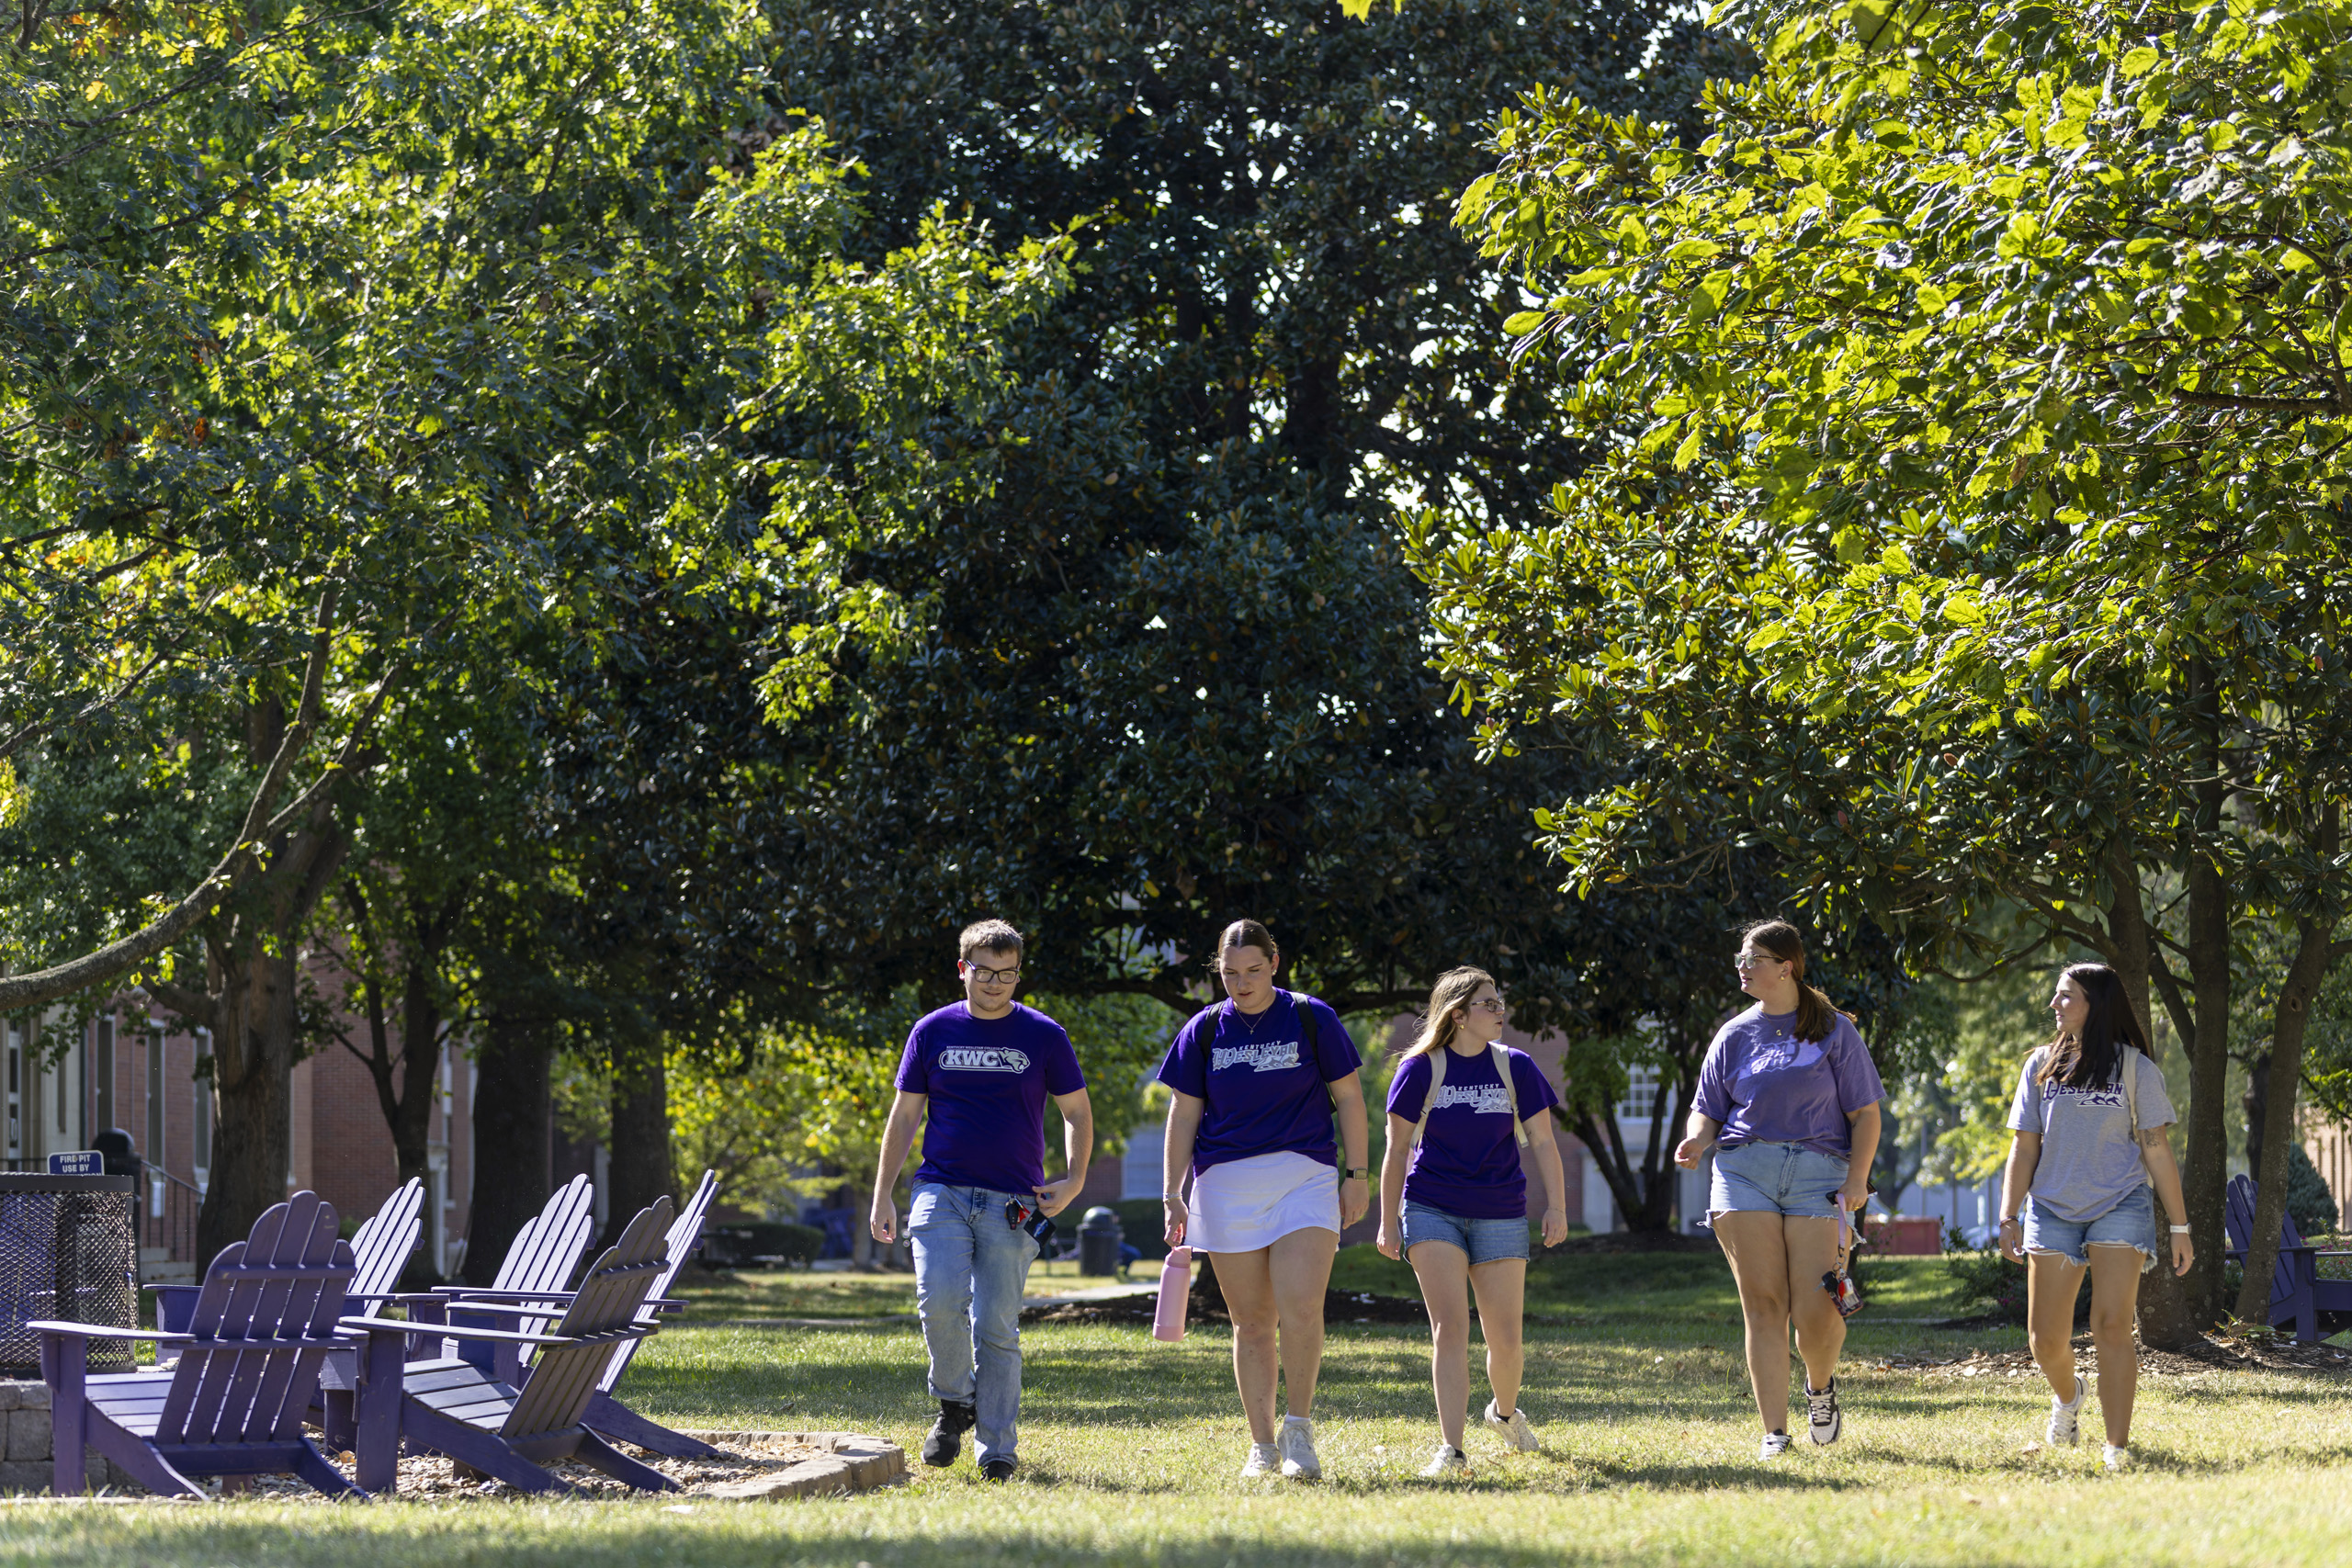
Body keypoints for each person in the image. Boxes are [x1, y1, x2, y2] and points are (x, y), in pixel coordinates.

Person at [871, 919, 1094, 1482]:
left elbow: (1077, 1113)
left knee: (996, 1327)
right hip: (939, 1189)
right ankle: (954, 1403)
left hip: (1014, 1200)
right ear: (962, 969)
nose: (996, 984)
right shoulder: (931, 1031)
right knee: (938, 1302)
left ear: (1018, 972)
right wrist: (882, 1195)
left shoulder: (1045, 1035)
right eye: (985, 972)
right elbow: (903, 1118)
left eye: (1008, 974)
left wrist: (1075, 1180)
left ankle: (996, 1446)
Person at [1159, 919, 1370, 1480]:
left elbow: (1349, 1098)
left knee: (1301, 1308)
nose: (1242, 982)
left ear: (1274, 964)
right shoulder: (1204, 1029)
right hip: (1225, 1185)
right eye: (1230, 973)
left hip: (1305, 1175)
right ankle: (1262, 1446)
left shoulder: (1310, 1016)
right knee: (1250, 1322)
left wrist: (1357, 1173)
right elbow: (1183, 1115)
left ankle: (1298, 1431)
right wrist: (1172, 1194)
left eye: (1253, 970)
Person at [1674, 919, 1883, 1459]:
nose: (1741, 967)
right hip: (1745, 1171)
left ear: (1785, 967)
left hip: (1819, 1175)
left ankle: (1819, 1388)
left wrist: (1857, 1178)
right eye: (1740, 959)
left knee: (1817, 1311)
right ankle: (1774, 1431)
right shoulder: (1734, 1034)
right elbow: (1707, 1109)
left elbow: (1865, 1114)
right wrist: (1696, 1142)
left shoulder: (1835, 1029)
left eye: (1752, 959)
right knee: (1763, 1305)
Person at [1997, 962, 2192, 1472]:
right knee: (2045, 1340)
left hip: (2119, 1205)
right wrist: (2008, 1215)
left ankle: (2116, 1448)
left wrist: (2179, 1224)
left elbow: (2155, 1150)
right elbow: (2024, 1146)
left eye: (2066, 996)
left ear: (2095, 1004)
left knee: (2111, 1325)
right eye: (2056, 996)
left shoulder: (2136, 1070)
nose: (2055, 1005)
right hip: (2053, 1208)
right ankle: (2069, 1397)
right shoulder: (2041, 1065)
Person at [1375, 966, 1569, 1475]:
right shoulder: (1420, 1069)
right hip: (1431, 1206)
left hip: (1501, 1209)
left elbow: (1545, 1142)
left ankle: (1504, 1414)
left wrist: (1557, 1205)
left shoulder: (1518, 1068)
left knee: (1505, 1338)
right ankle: (1452, 1448)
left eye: (1499, 1001)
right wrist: (1387, 1221)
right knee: (1450, 1328)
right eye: (1488, 1004)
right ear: (1458, 1015)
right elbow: (1395, 1151)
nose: (1500, 1010)